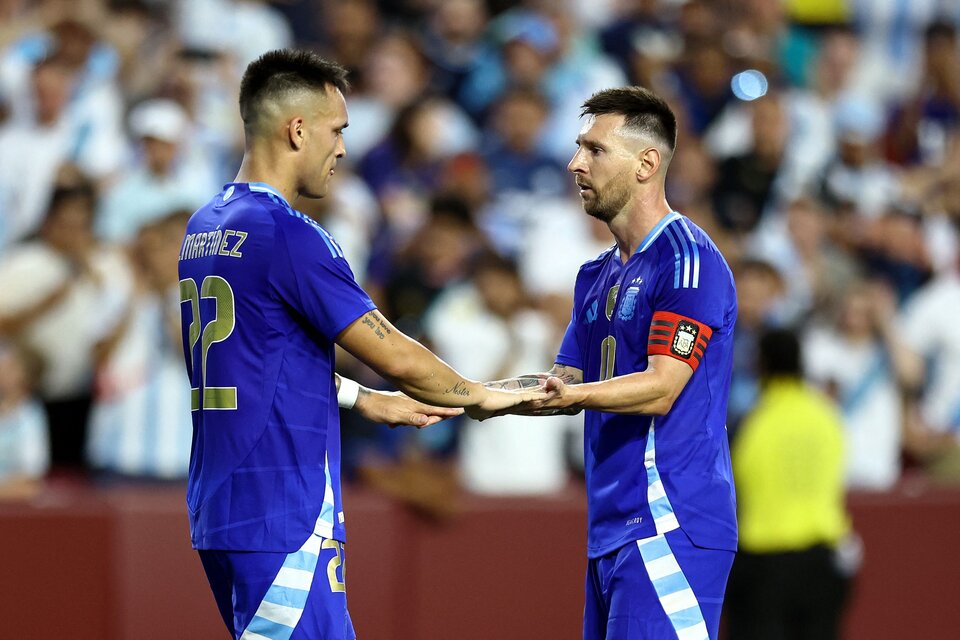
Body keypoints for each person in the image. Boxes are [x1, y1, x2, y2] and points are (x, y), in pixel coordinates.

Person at [177, 49, 545, 640]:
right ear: (297, 129)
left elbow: (256, 358)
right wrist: (483, 397)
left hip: (221, 506)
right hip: (285, 510)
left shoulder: (204, 226)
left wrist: (358, 399)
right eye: (337, 130)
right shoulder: (288, 234)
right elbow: (395, 354)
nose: (343, 148)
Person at [485, 87, 738, 639]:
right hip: (611, 531)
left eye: (595, 150)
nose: (576, 163)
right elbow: (561, 383)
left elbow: (661, 387)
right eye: (579, 148)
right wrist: (467, 395)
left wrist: (571, 396)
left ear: (647, 163)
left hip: (669, 522)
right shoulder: (594, 276)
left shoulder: (687, 260)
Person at [725, 328, 854, 640]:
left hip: (763, 566)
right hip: (823, 562)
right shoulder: (827, 417)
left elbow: (732, 492)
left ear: (762, 365)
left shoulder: (750, 423)